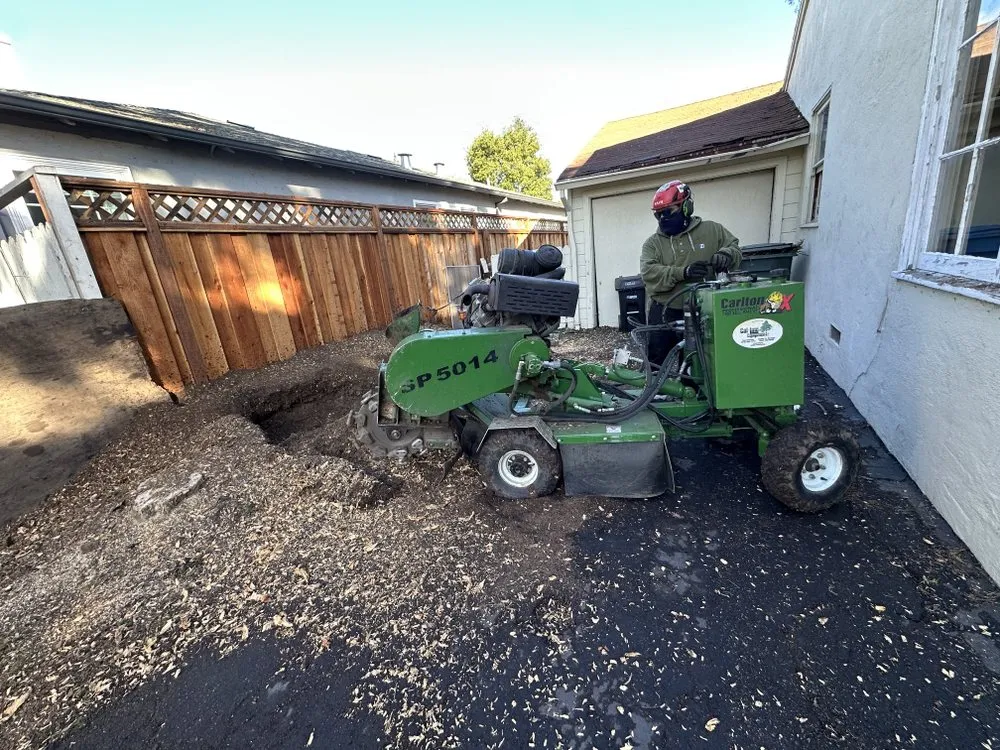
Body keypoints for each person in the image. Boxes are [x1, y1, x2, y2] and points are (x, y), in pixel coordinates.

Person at [639, 180, 741, 366]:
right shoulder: (653, 243)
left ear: (686, 206)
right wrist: (683, 272)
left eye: (669, 211)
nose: (663, 218)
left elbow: (734, 248)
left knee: (697, 360)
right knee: (657, 361)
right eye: (658, 215)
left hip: (703, 310)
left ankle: (694, 392)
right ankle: (659, 393)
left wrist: (726, 255)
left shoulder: (712, 230)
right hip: (664, 310)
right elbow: (649, 272)